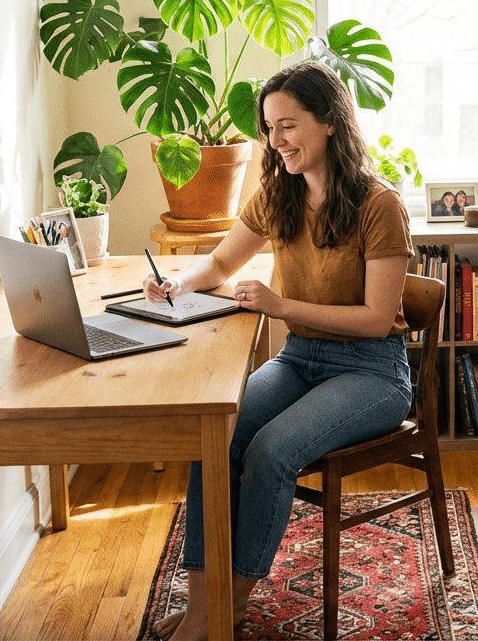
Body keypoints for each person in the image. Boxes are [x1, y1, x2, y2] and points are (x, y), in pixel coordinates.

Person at [149, 61, 414, 641]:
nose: (277, 141)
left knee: (270, 452)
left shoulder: (378, 204)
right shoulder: (278, 195)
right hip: (302, 359)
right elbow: (220, 262)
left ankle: (229, 607)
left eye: (288, 125)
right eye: (270, 128)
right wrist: (179, 285)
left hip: (373, 373)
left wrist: (280, 305)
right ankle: (203, 604)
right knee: (213, 433)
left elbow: (374, 322)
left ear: (329, 123)